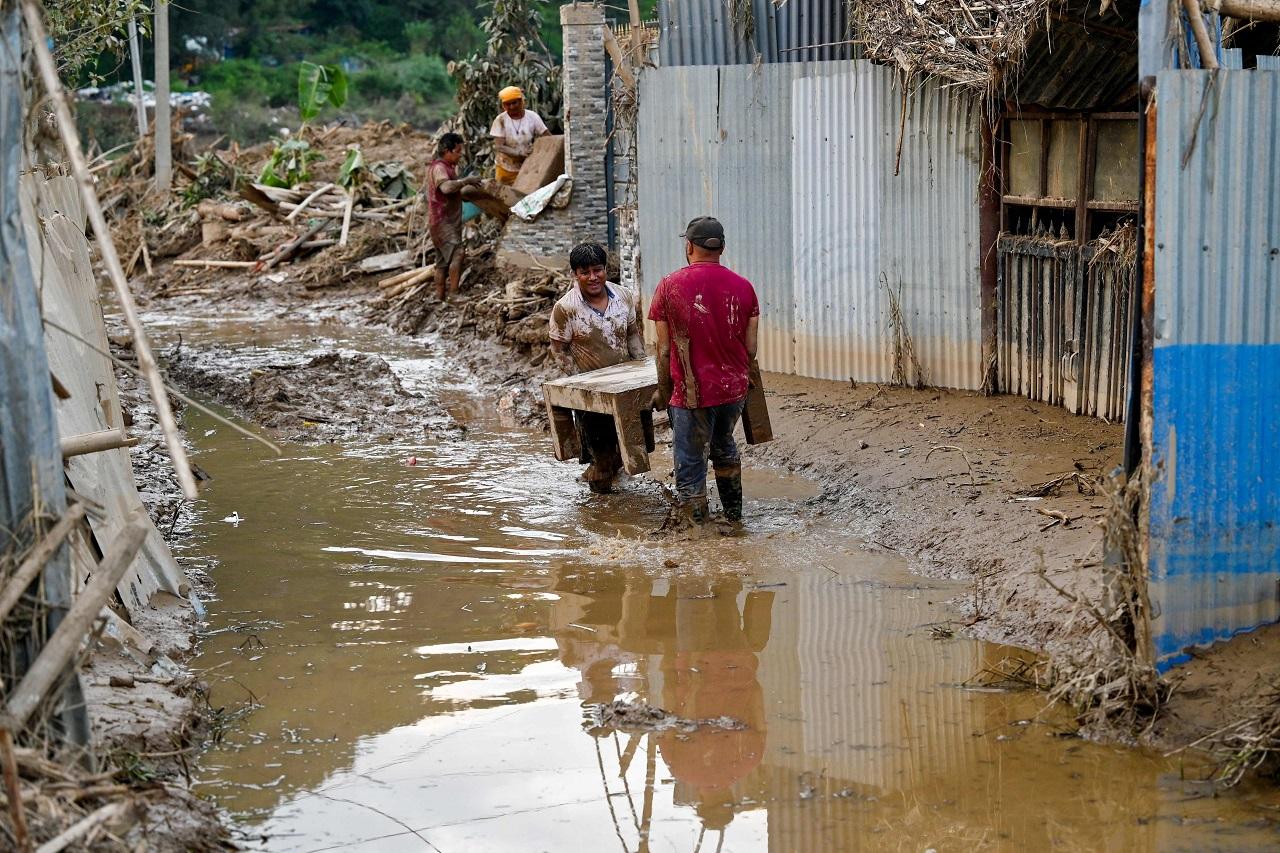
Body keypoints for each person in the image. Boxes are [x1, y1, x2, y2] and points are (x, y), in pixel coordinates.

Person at [648, 217, 759, 524]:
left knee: (690, 459)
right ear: (721, 247)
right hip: (733, 391)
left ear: (689, 247)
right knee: (723, 443)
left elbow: (664, 349)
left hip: (692, 393)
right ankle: (734, 517)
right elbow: (751, 349)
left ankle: (697, 528)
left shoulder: (669, 286)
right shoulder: (744, 286)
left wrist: (664, 390)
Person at [549, 242, 645, 494]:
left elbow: (633, 334)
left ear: (605, 269)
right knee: (601, 458)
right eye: (585, 272)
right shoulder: (565, 308)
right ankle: (600, 508)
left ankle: (615, 500)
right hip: (592, 398)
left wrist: (642, 369)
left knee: (630, 454)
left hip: (627, 389)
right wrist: (582, 384)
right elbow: (559, 351)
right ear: (575, 275)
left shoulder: (623, 296)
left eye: (598, 270)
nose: (593, 278)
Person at [426, 132, 480, 300]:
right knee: (458, 253)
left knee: (441, 264)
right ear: (447, 150)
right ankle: (454, 294)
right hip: (444, 223)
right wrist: (466, 181)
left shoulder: (445, 167)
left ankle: (439, 298)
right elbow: (447, 188)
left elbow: (452, 192)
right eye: (457, 151)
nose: (460, 154)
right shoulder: (440, 168)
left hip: (440, 222)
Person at [490, 86, 549, 185]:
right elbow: (499, 146)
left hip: (527, 167)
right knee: (505, 196)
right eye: (508, 104)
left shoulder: (533, 117)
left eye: (514, 103)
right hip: (505, 168)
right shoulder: (500, 120)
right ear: (503, 105)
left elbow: (548, 137)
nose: (512, 107)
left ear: (521, 101)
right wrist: (518, 153)